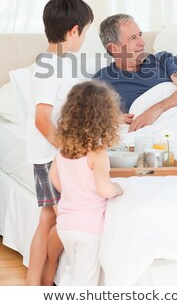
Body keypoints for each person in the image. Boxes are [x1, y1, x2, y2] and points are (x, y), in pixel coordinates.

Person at [26, 0, 94, 285]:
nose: (83, 40)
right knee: (62, 219)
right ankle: (46, 276)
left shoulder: (59, 63)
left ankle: (36, 282)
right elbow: (42, 119)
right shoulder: (48, 66)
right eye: (85, 32)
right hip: (49, 155)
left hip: (53, 153)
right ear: (74, 30)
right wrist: (71, 151)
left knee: (47, 219)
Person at [49, 80, 123, 286]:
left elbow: (53, 177)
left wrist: (74, 193)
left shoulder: (64, 148)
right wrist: (118, 189)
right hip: (88, 229)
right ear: (104, 116)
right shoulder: (97, 153)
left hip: (65, 224)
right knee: (84, 283)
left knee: (72, 274)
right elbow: (105, 189)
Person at [94, 14, 177, 131]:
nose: (142, 42)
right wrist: (110, 119)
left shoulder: (163, 59)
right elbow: (82, 117)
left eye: (140, 35)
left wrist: (156, 109)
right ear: (114, 48)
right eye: (133, 38)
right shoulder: (101, 81)